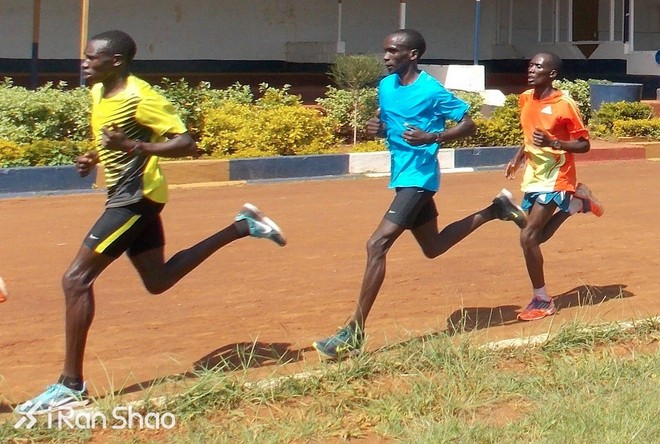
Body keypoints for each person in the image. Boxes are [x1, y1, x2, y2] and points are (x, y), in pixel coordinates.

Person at [17, 30, 286, 414]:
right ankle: (243, 226)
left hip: (135, 199)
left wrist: (134, 147)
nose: (84, 63)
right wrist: (93, 156)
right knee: (158, 281)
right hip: (128, 195)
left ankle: (70, 385)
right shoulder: (98, 91)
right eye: (85, 56)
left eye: (92, 58)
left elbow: (186, 142)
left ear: (116, 62)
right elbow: (112, 135)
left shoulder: (142, 97)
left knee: (75, 279)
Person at [312, 29, 528, 359]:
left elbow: (468, 124)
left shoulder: (431, 90)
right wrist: (379, 128)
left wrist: (433, 135)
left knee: (377, 243)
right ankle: (495, 210)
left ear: (412, 55)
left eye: (393, 51)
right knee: (434, 247)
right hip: (401, 175)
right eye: (384, 50)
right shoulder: (385, 87)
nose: (385, 56)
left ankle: (353, 333)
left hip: (420, 177)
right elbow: (389, 123)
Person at [505, 52, 604, 322]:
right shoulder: (525, 98)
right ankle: (577, 204)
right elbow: (529, 135)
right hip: (536, 174)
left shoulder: (564, 104)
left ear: (552, 74)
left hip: (558, 174)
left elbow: (584, 144)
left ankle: (543, 299)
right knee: (537, 237)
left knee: (528, 238)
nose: (531, 69)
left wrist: (555, 143)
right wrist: (518, 157)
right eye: (530, 64)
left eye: (538, 66)